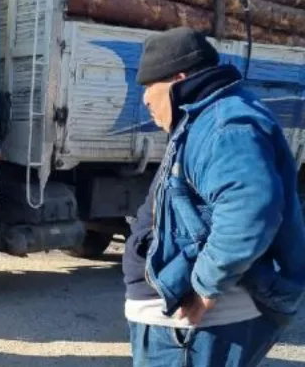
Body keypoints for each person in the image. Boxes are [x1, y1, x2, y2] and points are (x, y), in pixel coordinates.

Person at [123, 27, 305, 366]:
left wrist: (206, 288)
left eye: (150, 86)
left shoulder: (223, 125)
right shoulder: (205, 118)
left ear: (178, 79)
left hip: (201, 329)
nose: (145, 98)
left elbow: (252, 209)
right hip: (185, 329)